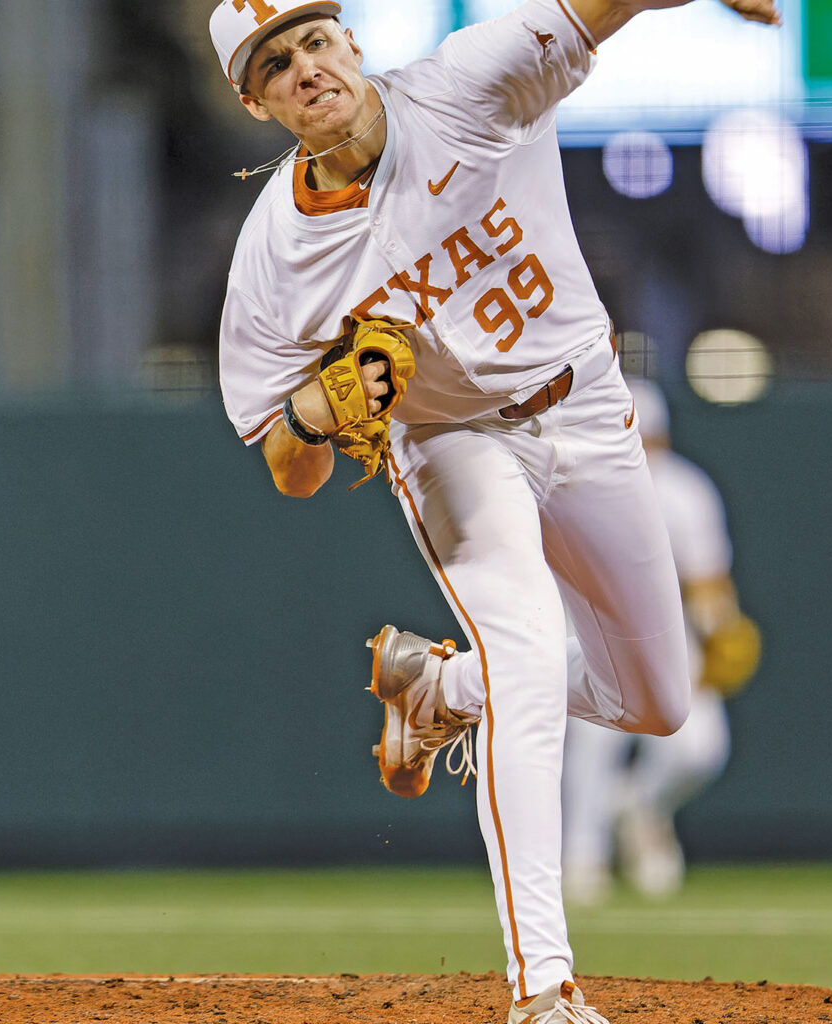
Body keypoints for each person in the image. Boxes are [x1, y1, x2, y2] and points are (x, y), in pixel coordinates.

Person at [207, 2, 779, 1021]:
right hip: (455, 446)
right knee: (526, 647)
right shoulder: (270, 263)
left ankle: (439, 688)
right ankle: (544, 992)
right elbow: (288, 469)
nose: (306, 68)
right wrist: (318, 404)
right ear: (253, 99)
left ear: (352, 41)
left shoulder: (467, 85)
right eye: (275, 62)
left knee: (657, 701)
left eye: (314, 40)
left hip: (588, 408)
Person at [562, 378, 761, 905]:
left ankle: (639, 808)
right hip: (586, 625)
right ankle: (582, 856)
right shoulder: (574, 480)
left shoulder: (683, 490)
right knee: (593, 742)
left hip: (668, 632)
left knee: (700, 749)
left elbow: (707, 579)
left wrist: (720, 626)